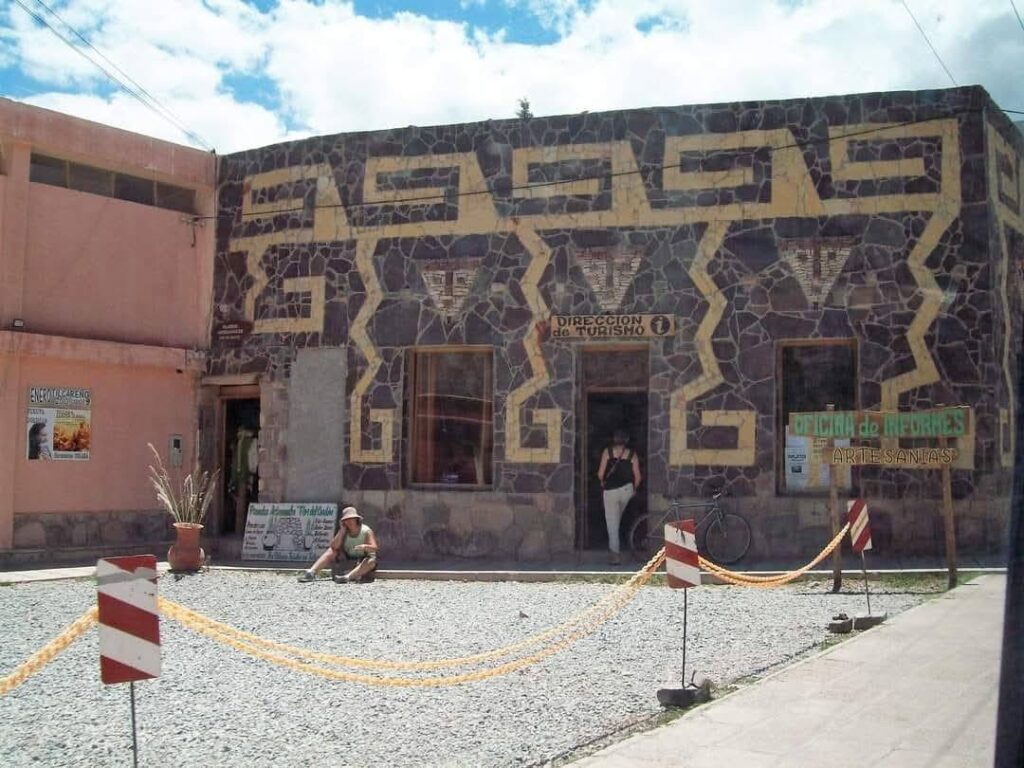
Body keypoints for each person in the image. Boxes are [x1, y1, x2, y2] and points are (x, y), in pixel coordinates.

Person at [297, 506, 378, 584]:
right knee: (332, 551)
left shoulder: (366, 531)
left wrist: (365, 547)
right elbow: (334, 547)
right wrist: (342, 530)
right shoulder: (344, 531)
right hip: (348, 558)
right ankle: (311, 572)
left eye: (351, 519)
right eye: (346, 520)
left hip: (363, 559)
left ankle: (347, 578)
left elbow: (374, 548)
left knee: (371, 561)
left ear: (356, 519)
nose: (349, 521)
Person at [597, 429, 642, 565]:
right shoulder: (632, 455)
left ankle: (615, 555)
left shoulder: (607, 452)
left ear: (614, 439)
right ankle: (625, 543)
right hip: (626, 490)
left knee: (612, 522)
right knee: (618, 518)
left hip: (610, 491)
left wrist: (602, 482)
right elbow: (638, 476)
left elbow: (600, 473)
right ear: (626, 440)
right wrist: (634, 489)